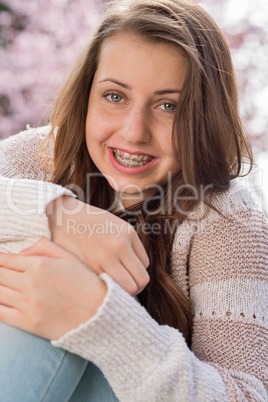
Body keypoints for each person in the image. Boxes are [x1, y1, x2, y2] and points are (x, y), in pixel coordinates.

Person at [0, 0, 267, 400]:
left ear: (202, 117)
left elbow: (247, 395)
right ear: (87, 95)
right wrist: (59, 215)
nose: (134, 132)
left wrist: (100, 319)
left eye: (168, 106)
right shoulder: (39, 157)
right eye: (114, 96)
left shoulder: (227, 218)